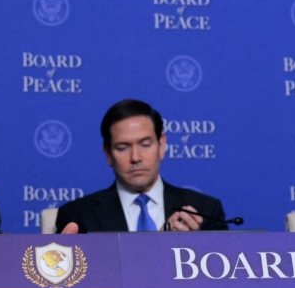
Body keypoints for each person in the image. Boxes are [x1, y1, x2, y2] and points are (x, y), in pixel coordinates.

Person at [55, 99, 227, 233]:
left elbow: (222, 275)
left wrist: (196, 247)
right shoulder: (77, 216)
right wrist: (158, 247)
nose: (136, 157)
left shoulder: (205, 210)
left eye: (145, 145)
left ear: (162, 145)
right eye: (122, 148)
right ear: (108, 153)